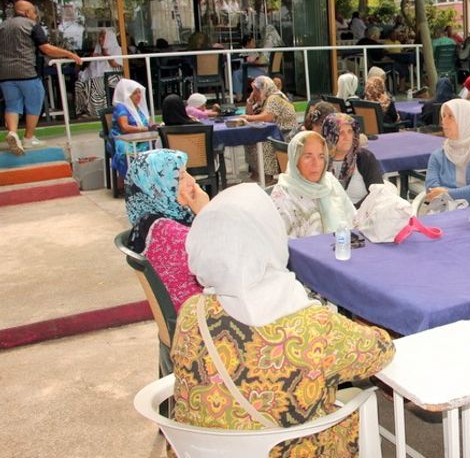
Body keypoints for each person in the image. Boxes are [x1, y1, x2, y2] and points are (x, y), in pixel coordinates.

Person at [174, 183, 394, 456]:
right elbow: (380, 351)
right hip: (288, 450)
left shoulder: (191, 313)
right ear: (271, 236)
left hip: (201, 451)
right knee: (359, 402)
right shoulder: (312, 327)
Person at [125, 149, 208, 310]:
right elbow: (222, 260)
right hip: (196, 316)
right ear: (156, 187)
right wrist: (206, 212)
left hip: (196, 306)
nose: (192, 181)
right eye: (181, 177)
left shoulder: (153, 219)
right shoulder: (164, 230)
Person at [1, 0, 81, 155]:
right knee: (35, 101)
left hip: (4, 74)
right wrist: (69, 54)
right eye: (33, 12)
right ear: (26, 12)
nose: (35, 15)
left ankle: (13, 132)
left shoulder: (2, 26)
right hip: (26, 72)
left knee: (12, 104)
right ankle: (29, 138)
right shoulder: (31, 25)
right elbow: (46, 48)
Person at [270, 131, 356, 238]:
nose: (316, 163)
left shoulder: (329, 182)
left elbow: (353, 220)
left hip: (343, 248)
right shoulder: (283, 195)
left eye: (321, 156)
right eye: (308, 156)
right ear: (295, 160)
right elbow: (284, 245)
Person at [241, 76, 299, 182]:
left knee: (263, 142)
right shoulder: (265, 98)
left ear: (263, 88)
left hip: (286, 135)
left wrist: (247, 118)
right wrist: (250, 100)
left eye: (256, 90)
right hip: (276, 133)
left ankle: (266, 176)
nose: (255, 92)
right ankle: (257, 174)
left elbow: (267, 117)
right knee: (251, 139)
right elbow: (250, 113)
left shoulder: (274, 98)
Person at [321, 113, 383, 207]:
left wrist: (352, 212)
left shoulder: (364, 157)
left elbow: (377, 192)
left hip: (362, 214)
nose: (347, 137)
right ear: (330, 135)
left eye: (350, 131)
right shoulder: (319, 160)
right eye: (341, 132)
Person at [111, 78, 154, 180]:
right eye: (135, 93)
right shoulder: (121, 107)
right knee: (125, 154)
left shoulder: (139, 108)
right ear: (127, 95)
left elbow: (149, 124)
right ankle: (130, 182)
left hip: (141, 139)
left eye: (139, 92)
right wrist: (144, 129)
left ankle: (148, 181)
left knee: (155, 149)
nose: (139, 96)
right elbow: (124, 128)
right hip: (123, 139)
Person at [74, 28, 121, 118]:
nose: (100, 39)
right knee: (79, 84)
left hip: (112, 77)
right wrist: (93, 57)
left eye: (103, 37)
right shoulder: (97, 50)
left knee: (94, 83)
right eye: (100, 37)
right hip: (98, 77)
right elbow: (92, 68)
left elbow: (115, 65)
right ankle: (82, 111)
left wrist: (105, 54)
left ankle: (97, 113)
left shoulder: (117, 49)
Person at [231, 34, 267, 101]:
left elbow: (258, 61)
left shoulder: (254, 52)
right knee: (238, 73)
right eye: (253, 42)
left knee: (236, 74)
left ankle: (239, 95)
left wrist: (254, 61)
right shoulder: (243, 52)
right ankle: (239, 94)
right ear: (248, 43)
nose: (254, 43)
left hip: (259, 71)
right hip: (256, 70)